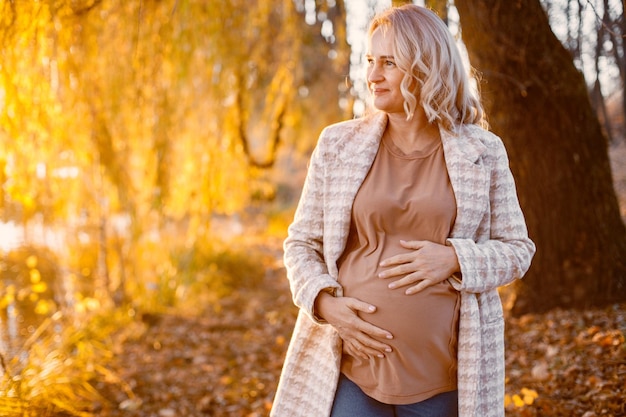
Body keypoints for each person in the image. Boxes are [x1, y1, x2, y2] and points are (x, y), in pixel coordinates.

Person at [270, 4, 535, 417]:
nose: (372, 75)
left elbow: (518, 250)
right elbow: (302, 243)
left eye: (388, 63)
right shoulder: (338, 144)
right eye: (370, 61)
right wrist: (325, 304)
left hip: (444, 375)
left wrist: (454, 257)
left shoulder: (482, 151)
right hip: (351, 368)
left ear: (426, 66)